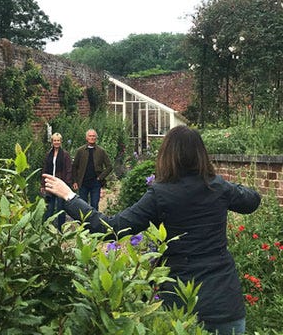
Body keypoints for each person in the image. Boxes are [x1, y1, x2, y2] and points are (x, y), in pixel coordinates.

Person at [42, 125, 259, 335]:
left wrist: (70, 196)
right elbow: (252, 201)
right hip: (226, 305)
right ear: (201, 155)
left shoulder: (161, 194)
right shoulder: (217, 187)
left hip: (180, 308)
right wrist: (219, 182)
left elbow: (111, 228)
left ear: (167, 155)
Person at [71, 129, 113, 211]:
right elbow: (74, 166)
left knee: (94, 205)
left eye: (93, 136)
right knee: (83, 206)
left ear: (96, 138)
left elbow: (109, 166)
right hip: (83, 183)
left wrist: (100, 177)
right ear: (86, 138)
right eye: (90, 136)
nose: (92, 137)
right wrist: (75, 181)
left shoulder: (101, 151)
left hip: (96, 183)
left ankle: (94, 223)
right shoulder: (80, 151)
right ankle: (84, 223)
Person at [41, 132, 72, 227]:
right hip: (50, 183)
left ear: (61, 142)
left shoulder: (65, 155)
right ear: (52, 142)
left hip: (60, 183)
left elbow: (69, 169)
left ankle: (61, 229)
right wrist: (43, 184)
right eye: (55, 140)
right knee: (49, 207)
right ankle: (46, 227)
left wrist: (67, 183)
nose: (56, 142)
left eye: (58, 140)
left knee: (60, 207)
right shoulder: (48, 154)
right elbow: (45, 169)